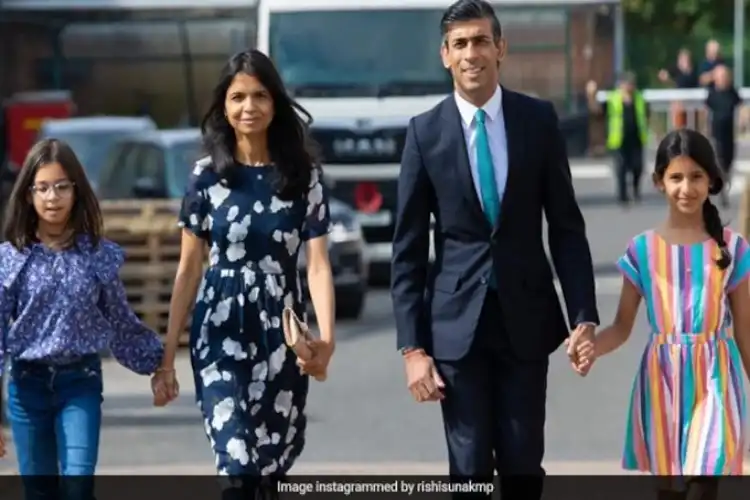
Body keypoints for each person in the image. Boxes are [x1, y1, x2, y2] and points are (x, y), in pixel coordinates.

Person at [390, 1, 599, 499]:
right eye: (459, 44)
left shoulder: (537, 120)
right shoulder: (425, 133)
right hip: (454, 329)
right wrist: (413, 349)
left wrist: (584, 317)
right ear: (444, 54)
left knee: (524, 465)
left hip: (526, 321)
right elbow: (409, 249)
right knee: (468, 469)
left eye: (481, 41)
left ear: (500, 48)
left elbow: (566, 228)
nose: (471, 54)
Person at [152, 49, 336, 499]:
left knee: (270, 466)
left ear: (275, 104)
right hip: (219, 327)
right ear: (223, 107)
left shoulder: (303, 176)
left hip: (281, 331)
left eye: (259, 96)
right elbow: (189, 268)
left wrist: (325, 342)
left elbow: (316, 264)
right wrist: (166, 356)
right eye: (237, 97)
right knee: (237, 463)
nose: (248, 107)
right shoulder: (205, 177)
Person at [573, 129, 750, 500]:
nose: (687, 187)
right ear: (658, 182)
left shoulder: (731, 248)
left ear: (712, 181)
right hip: (662, 382)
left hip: (716, 381)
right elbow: (622, 327)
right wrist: (591, 347)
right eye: (676, 177)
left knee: (705, 482)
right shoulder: (642, 250)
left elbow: (745, 331)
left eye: (697, 176)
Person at [0, 138, 165, 500]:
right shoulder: (12, 258)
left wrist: (160, 365)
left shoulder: (97, 256)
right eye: (42, 188)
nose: (52, 197)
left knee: (78, 486)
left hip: (80, 383)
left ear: (76, 191)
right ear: (28, 194)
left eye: (61, 186)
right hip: (27, 388)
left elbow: (122, 321)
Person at [586, 72, 649, 206]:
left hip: (636, 139)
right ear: (621, 85)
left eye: (632, 84)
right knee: (621, 168)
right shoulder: (613, 99)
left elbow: (646, 115)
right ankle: (623, 196)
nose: (630, 87)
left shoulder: (639, 98)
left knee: (638, 167)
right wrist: (591, 96)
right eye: (627, 84)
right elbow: (597, 112)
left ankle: (636, 191)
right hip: (619, 140)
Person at [705, 64, 742, 208]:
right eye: (720, 77)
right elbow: (706, 111)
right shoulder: (712, 93)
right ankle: (722, 194)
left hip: (730, 134)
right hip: (716, 134)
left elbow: (740, 107)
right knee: (719, 162)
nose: (722, 79)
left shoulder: (732, 92)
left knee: (729, 161)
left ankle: (724, 182)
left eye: (724, 77)